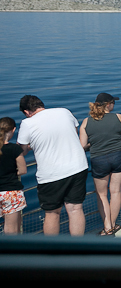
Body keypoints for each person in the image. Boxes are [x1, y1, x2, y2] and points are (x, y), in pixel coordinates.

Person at [17, 95, 89, 236]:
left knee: (52, 214)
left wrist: (33, 145)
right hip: (78, 167)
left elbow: (23, 150)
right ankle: (78, 249)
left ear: (27, 112)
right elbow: (73, 134)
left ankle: (52, 251)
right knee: (75, 209)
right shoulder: (64, 111)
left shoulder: (27, 123)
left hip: (51, 174)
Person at [79, 93, 121, 236]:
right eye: (113, 102)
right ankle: (112, 224)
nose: (114, 105)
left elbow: (82, 145)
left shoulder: (86, 122)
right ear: (108, 105)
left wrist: (94, 143)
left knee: (101, 194)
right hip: (118, 156)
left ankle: (107, 227)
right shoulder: (119, 117)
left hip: (99, 159)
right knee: (116, 191)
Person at [0, 117, 27, 235]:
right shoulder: (14, 149)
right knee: (12, 229)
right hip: (10, 192)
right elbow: (23, 170)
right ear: (13, 129)